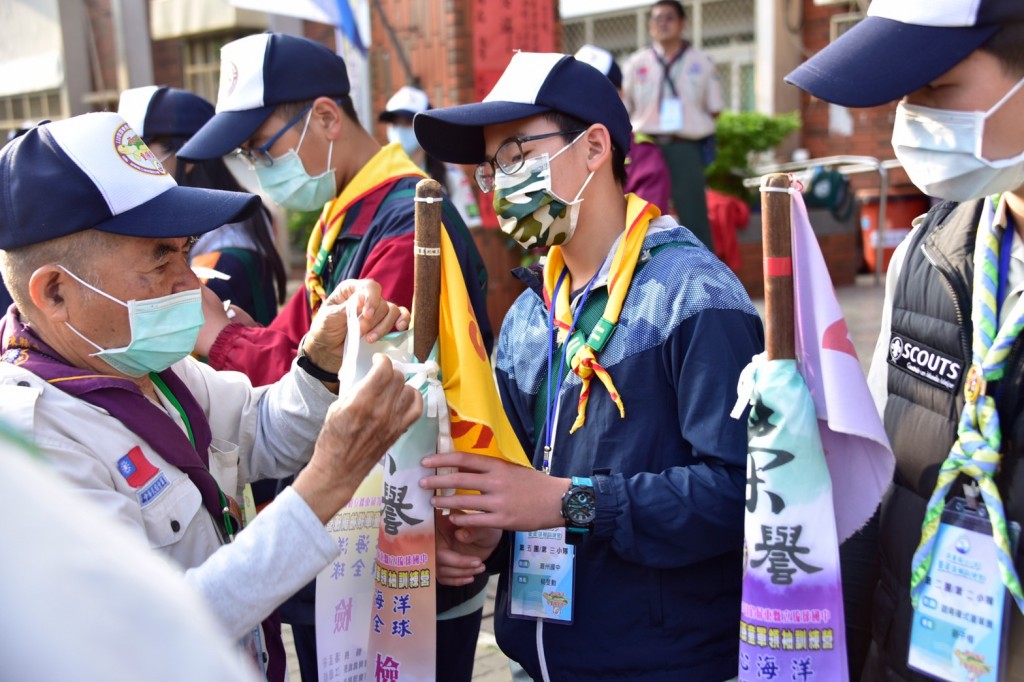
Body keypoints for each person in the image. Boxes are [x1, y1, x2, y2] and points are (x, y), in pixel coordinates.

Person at [0, 112, 421, 681]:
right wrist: (331, 479)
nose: (189, 283)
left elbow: (260, 430)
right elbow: (152, 631)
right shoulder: (33, 442)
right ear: (54, 291)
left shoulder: (151, 367)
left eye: (185, 251)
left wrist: (321, 361)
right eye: (159, 261)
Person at [414, 51, 764, 680]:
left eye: (517, 152)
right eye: (492, 167)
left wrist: (571, 503)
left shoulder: (696, 295)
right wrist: (485, 536)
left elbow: (738, 492)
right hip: (537, 656)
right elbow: (522, 488)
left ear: (596, 146)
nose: (501, 181)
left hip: (663, 662)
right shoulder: (529, 315)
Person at [177, 32, 493, 681]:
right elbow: (298, 347)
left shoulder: (409, 224)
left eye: (262, 147)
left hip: (408, 550)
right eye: (244, 155)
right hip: (355, 546)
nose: (257, 167)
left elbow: (347, 380)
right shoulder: (343, 217)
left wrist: (219, 337)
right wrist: (239, 338)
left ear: (325, 116)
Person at [785, 0, 1024, 679]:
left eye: (937, 87)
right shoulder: (925, 256)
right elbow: (880, 486)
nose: (912, 117)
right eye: (903, 94)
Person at [0, 418, 260, 682]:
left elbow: (256, 423)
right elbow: (137, 630)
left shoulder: (166, 385)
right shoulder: (38, 434)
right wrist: (291, 521)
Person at [118, 86, 288, 325]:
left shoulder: (216, 268)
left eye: (141, 156)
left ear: (186, 158)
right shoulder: (245, 220)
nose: (133, 170)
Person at [621, 0, 723, 250]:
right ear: (649, 25)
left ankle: (705, 275)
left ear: (682, 23)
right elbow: (625, 110)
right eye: (656, 19)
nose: (662, 24)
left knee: (694, 217)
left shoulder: (702, 62)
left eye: (668, 18)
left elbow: (715, 109)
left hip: (684, 147)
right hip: (646, 147)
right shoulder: (636, 64)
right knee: (643, 218)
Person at [574, 43, 672, 213]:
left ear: (620, 95)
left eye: (595, 90)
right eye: (576, 91)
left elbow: (645, 226)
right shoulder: (557, 148)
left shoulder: (645, 156)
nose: (584, 100)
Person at [379, 85, 482, 229]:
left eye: (407, 123)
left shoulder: (450, 176)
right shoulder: (378, 176)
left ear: (425, 127)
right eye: (394, 123)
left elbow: (466, 234)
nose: (399, 130)